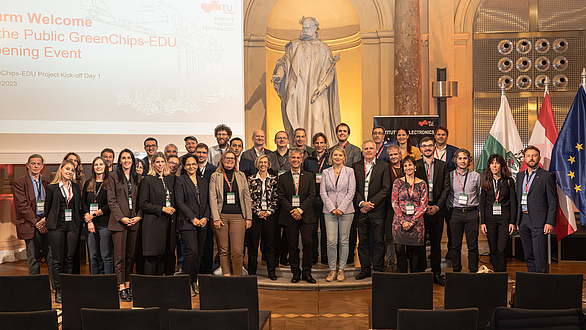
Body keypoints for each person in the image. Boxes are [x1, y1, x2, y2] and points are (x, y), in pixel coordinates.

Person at [271, 16, 341, 145]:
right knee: (298, 121)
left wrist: (322, 87)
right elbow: (284, 63)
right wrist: (280, 75)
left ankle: (317, 153)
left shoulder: (324, 48)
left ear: (315, 28)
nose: (304, 31)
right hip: (298, 92)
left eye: (308, 28)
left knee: (317, 118)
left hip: (317, 92)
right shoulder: (295, 45)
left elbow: (330, 72)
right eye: (303, 28)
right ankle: (300, 151)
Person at [209, 150, 252, 276]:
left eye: (232, 158)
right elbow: (212, 197)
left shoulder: (241, 175)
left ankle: (237, 277)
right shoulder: (215, 176)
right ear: (222, 160)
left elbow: (246, 197)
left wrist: (248, 217)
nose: (229, 160)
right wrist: (216, 218)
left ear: (235, 161)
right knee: (223, 249)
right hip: (221, 216)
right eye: (227, 158)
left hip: (239, 217)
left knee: (238, 250)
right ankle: (226, 276)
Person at [45, 159, 83, 303]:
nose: (69, 172)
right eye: (67, 169)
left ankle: (67, 288)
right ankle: (58, 289)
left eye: (72, 170)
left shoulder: (76, 187)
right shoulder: (52, 188)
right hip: (56, 227)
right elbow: (47, 209)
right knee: (57, 260)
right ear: (61, 170)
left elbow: (78, 206)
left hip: (72, 227)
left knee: (69, 258)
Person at [278, 147, 317, 283]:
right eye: (293, 158)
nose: (295, 160)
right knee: (292, 245)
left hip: (306, 215)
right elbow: (281, 197)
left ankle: (307, 272)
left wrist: (300, 210)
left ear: (302, 160)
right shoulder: (282, 177)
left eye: (298, 158)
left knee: (308, 243)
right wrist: (293, 211)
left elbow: (312, 195)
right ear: (289, 160)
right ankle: (295, 272)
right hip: (289, 215)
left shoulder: (309, 176)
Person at [353, 140, 391, 280]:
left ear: (376, 151)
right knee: (362, 242)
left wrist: (371, 204)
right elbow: (353, 188)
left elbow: (386, 188)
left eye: (371, 148)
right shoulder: (355, 166)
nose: (368, 151)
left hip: (377, 211)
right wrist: (362, 203)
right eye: (366, 149)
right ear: (362, 151)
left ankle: (378, 269)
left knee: (379, 241)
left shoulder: (384, 166)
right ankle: (365, 269)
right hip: (361, 210)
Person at [108, 149, 142, 302]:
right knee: (120, 257)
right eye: (123, 158)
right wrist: (121, 218)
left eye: (129, 158)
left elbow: (143, 200)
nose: (126, 160)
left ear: (133, 160)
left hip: (134, 222)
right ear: (119, 160)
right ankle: (121, 286)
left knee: (130, 256)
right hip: (119, 223)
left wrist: (138, 216)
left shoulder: (138, 177)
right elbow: (111, 201)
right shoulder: (113, 176)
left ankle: (128, 285)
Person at [516, 146, 557, 273]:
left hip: (539, 221)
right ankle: (532, 280)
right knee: (528, 254)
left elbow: (552, 201)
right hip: (523, 220)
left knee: (540, 254)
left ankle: (542, 282)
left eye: (534, 155)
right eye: (528, 156)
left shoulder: (546, 176)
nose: (531, 158)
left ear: (539, 158)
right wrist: (517, 221)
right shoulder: (520, 176)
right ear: (524, 159)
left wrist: (550, 222)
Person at [415, 137, 450, 284]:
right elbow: (412, 188)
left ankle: (436, 273)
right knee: (420, 243)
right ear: (420, 148)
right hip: (420, 210)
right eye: (424, 146)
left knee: (436, 243)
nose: (427, 148)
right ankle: (421, 273)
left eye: (430, 145)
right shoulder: (415, 165)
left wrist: (436, 207)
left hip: (437, 209)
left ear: (434, 147)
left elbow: (446, 188)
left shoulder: (443, 165)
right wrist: (423, 207)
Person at [175, 154, 210, 295]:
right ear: (184, 166)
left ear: (198, 165)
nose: (191, 167)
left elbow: (207, 202)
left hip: (202, 222)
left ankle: (194, 281)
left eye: (194, 164)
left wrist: (206, 217)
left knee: (200, 254)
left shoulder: (203, 181)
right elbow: (180, 202)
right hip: (187, 223)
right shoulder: (180, 180)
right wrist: (193, 218)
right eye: (188, 164)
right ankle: (186, 282)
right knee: (192, 252)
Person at [12, 154, 51, 275]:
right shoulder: (19, 183)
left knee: (50, 257)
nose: (36, 166)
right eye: (33, 163)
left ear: (42, 166)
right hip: (30, 225)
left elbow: (51, 204)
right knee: (33, 259)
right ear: (27, 165)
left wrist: (44, 220)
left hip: (46, 223)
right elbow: (22, 206)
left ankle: (56, 287)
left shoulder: (47, 182)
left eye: (38, 164)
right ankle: (35, 290)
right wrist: (37, 223)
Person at [320, 146, 355, 281]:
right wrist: (332, 208)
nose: (337, 157)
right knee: (331, 242)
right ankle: (332, 270)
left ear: (344, 157)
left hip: (346, 211)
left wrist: (341, 208)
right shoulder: (325, 172)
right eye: (335, 155)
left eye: (340, 155)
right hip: (329, 211)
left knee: (344, 241)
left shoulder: (350, 171)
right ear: (331, 157)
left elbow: (351, 191)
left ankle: (341, 270)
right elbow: (323, 192)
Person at [139, 152, 176, 275]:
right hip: (152, 224)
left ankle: (158, 289)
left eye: (162, 161)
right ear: (153, 164)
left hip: (167, 224)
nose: (160, 164)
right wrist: (162, 209)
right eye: (157, 162)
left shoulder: (170, 179)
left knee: (162, 257)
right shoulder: (147, 180)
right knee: (152, 258)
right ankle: (148, 290)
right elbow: (143, 204)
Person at [480, 154, 517, 272]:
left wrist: (512, 222)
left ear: (501, 165)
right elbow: (482, 204)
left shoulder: (509, 181)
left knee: (501, 249)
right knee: (493, 250)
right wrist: (483, 222)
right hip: (490, 220)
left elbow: (513, 202)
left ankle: (502, 275)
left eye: (497, 163)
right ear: (489, 166)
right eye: (492, 163)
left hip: (504, 219)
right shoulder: (486, 181)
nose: (494, 166)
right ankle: (497, 276)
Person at [392, 155, 428, 273]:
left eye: (410, 165)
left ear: (415, 166)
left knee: (415, 251)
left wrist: (411, 222)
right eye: (405, 165)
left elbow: (423, 205)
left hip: (416, 222)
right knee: (399, 249)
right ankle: (402, 275)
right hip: (399, 221)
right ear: (403, 168)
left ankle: (413, 276)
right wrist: (403, 221)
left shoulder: (422, 183)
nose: (408, 168)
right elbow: (394, 203)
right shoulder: (397, 182)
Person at [332, 123, 362, 264]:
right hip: (334, 195)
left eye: (345, 131)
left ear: (348, 134)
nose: (342, 133)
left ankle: (349, 256)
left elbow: (355, 169)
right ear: (336, 133)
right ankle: (336, 258)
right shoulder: (331, 150)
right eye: (340, 131)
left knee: (348, 231)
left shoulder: (355, 150)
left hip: (349, 191)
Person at [448, 148, 481, 273]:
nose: (462, 161)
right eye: (460, 158)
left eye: (465, 158)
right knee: (455, 246)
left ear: (469, 160)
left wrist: (477, 211)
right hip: (455, 213)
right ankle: (457, 272)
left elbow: (480, 194)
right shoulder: (450, 176)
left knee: (473, 245)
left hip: (471, 213)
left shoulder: (476, 176)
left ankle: (473, 271)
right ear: (455, 160)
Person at [247, 154, 279, 280]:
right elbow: (248, 198)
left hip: (270, 216)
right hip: (256, 216)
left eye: (265, 162)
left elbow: (276, 197)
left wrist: (269, 211)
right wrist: (258, 211)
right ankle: (252, 272)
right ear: (257, 164)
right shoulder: (251, 179)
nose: (263, 164)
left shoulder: (274, 179)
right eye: (261, 162)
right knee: (253, 245)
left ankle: (271, 272)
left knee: (270, 245)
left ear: (269, 164)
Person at [82, 157, 113, 275]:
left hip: (105, 224)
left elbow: (110, 204)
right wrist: (88, 220)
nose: (98, 167)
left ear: (105, 167)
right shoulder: (88, 183)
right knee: (93, 255)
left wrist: (93, 215)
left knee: (106, 255)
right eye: (96, 165)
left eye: (101, 164)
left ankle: (108, 281)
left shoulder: (110, 183)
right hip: (90, 224)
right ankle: (94, 282)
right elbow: (83, 202)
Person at [303, 132, 330, 264]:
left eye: (321, 142)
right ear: (313, 145)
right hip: (312, 200)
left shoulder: (330, 159)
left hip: (327, 200)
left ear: (325, 144)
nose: (319, 145)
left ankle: (325, 256)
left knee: (326, 229)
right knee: (312, 229)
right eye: (317, 143)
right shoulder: (308, 160)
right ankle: (313, 255)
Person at [267, 131, 291, 266]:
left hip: (288, 198)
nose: (281, 140)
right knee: (274, 230)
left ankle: (284, 256)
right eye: (279, 138)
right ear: (275, 141)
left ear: (288, 140)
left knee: (288, 230)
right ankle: (274, 258)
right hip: (273, 198)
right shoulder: (269, 156)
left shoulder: (293, 156)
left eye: (284, 138)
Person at [194, 143, 217, 275]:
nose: (201, 155)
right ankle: (195, 271)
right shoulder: (190, 168)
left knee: (208, 243)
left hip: (208, 211)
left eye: (203, 152)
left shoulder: (213, 169)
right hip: (193, 212)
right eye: (199, 152)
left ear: (207, 154)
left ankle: (207, 270)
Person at [385, 144, 403, 271]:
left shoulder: (407, 167)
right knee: (389, 236)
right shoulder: (385, 168)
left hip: (406, 208)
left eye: (395, 154)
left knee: (403, 235)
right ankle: (390, 262)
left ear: (400, 155)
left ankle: (402, 261)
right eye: (391, 155)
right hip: (389, 208)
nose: (393, 157)